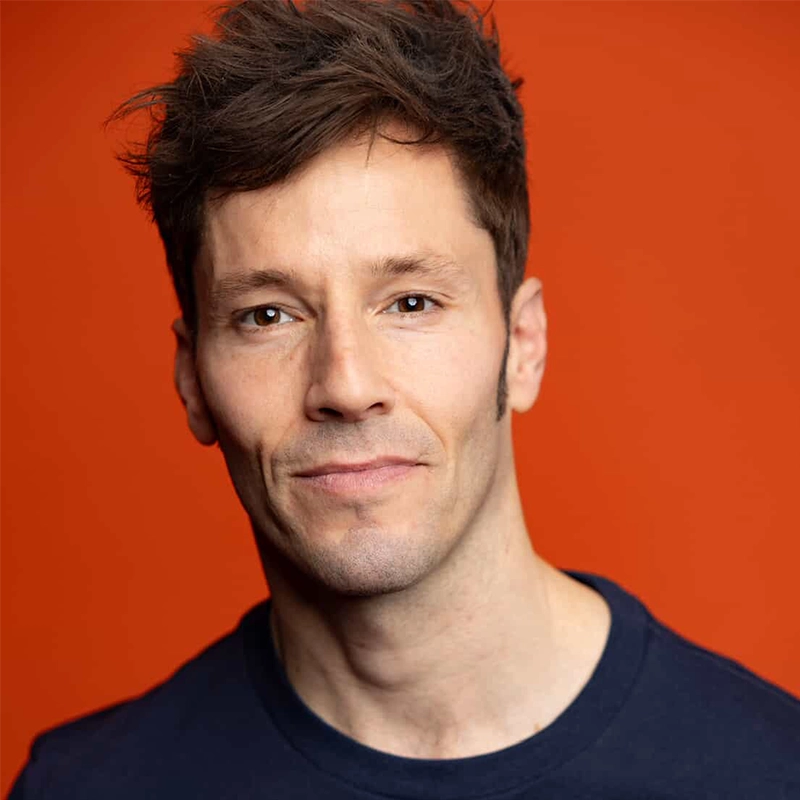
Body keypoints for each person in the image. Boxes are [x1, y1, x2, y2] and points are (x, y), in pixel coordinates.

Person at [9, 1, 800, 797]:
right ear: (193, 381)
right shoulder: (84, 787)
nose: (346, 386)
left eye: (411, 302)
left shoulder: (771, 771)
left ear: (522, 345)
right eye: (268, 316)